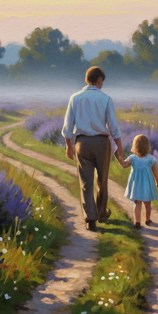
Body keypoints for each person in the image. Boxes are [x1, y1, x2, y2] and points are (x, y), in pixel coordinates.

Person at [61, 66, 124, 230]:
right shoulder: (106, 99)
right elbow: (113, 127)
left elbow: (68, 127)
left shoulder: (75, 98)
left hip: (82, 143)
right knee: (102, 180)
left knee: (85, 181)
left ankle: (90, 219)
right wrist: (119, 147)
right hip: (102, 143)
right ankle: (102, 214)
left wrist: (68, 146)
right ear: (100, 80)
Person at [120, 134, 158, 228]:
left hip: (136, 184)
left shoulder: (132, 158)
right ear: (147, 146)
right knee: (148, 203)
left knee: (137, 203)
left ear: (135, 146)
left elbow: (124, 165)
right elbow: (155, 171)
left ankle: (137, 221)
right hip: (148, 184)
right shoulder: (151, 159)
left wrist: (120, 158)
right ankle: (148, 219)